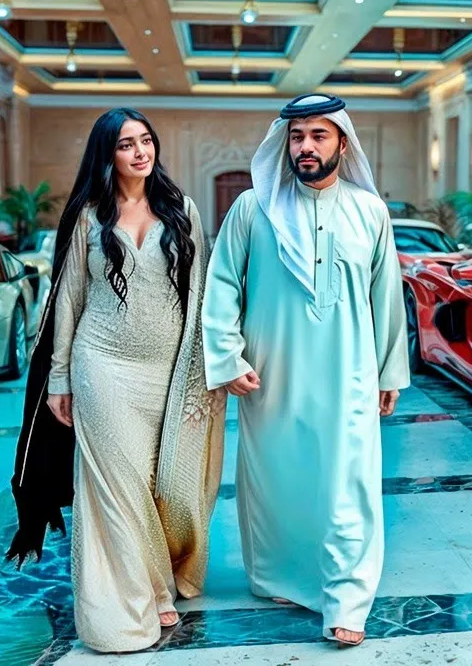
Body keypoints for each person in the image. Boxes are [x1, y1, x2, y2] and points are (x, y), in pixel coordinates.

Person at [6, 108, 226, 653]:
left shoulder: (182, 209)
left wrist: (214, 365)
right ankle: (135, 600)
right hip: (102, 365)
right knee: (119, 487)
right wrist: (61, 378)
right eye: (126, 144)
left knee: (162, 484)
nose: (140, 152)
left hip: (169, 371)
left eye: (146, 140)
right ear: (107, 154)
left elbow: (203, 292)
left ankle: (160, 575)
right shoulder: (87, 215)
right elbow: (68, 300)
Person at [202, 93, 410, 647]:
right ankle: (278, 576)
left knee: (348, 486)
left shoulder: (370, 212)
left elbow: (387, 298)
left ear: (343, 143)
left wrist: (389, 372)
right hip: (271, 376)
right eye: (297, 137)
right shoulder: (253, 209)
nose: (306, 147)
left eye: (318, 135)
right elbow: (222, 285)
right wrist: (227, 357)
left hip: (349, 374)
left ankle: (346, 600)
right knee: (277, 483)